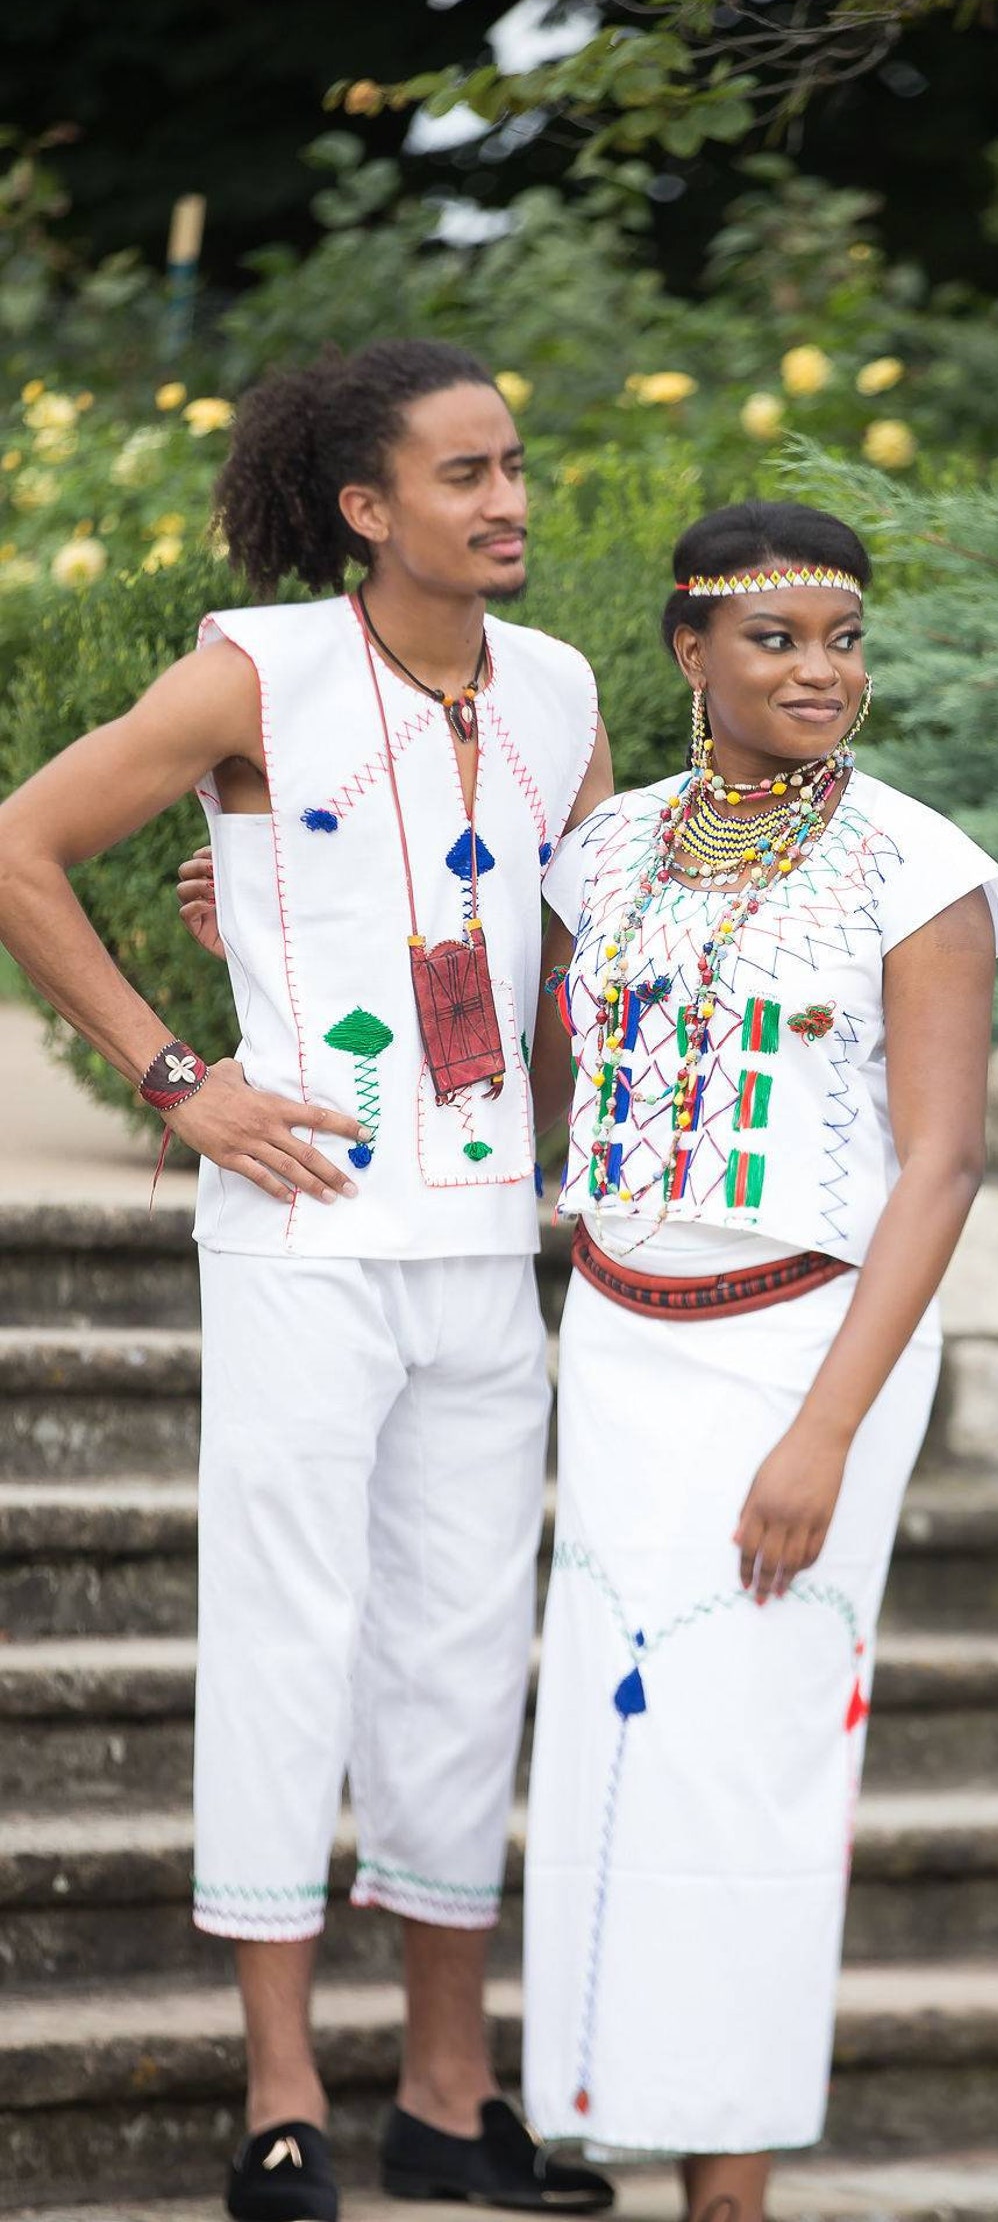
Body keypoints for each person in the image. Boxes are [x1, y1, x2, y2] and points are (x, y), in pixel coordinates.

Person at [0, 339, 615, 2222]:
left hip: (487, 1254)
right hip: (305, 1248)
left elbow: (575, 951)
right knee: (288, 1647)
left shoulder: (565, 685)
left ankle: (447, 2093)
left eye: (515, 466)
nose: (508, 500)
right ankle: (282, 2096)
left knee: (456, 1665)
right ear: (367, 507)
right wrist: (178, 1080)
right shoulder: (256, 668)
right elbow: (20, 846)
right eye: (466, 474)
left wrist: (593, 1177)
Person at [525, 500, 998, 2222]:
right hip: (620, 1342)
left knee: (750, 1757)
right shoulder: (607, 854)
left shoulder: (920, 869)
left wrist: (822, 1430)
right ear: (689, 652)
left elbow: (941, 1168)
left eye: (844, 639)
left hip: (807, 1350)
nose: (823, 672)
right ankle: (614, 2100)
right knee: (614, 1735)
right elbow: (519, 1054)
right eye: (776, 640)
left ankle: (729, 2178)